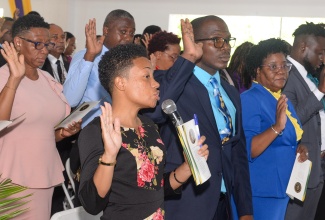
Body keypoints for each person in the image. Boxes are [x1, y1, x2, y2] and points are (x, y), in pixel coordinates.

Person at [78, 21, 209, 219]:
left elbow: (154, 189)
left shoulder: (149, 126)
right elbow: (92, 203)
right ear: (121, 83)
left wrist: (188, 167)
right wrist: (109, 156)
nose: (156, 84)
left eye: (154, 76)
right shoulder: (96, 131)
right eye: (146, 76)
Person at [145, 15, 253, 220]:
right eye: (217, 40)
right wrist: (188, 57)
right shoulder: (173, 83)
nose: (226, 47)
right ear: (194, 43)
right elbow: (158, 110)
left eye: (228, 40)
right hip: (185, 201)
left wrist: (245, 209)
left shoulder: (230, 92)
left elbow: (237, 153)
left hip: (222, 203)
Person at [0, 14, 81, 219]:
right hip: (11, 175)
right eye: (38, 44)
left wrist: (63, 133)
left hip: (44, 172)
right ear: (18, 42)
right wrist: (14, 79)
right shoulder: (3, 77)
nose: (45, 50)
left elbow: (44, 132)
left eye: (47, 44)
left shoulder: (47, 79)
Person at [241, 38, 308, 220]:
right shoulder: (250, 99)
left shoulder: (280, 97)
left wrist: (299, 149)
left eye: (284, 66)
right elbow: (250, 149)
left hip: (282, 186)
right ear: (257, 70)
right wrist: (276, 127)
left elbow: (287, 140)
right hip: (262, 191)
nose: (281, 71)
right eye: (273, 67)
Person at [63, 9, 135, 128]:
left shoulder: (128, 62)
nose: (128, 38)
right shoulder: (85, 56)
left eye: (131, 33)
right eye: (123, 32)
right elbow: (69, 99)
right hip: (90, 132)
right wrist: (90, 56)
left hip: (120, 129)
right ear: (106, 31)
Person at [282, 22, 325, 220]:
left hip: (315, 167)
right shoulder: (286, 75)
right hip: (298, 169)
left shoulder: (307, 76)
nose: (323, 59)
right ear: (303, 48)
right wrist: (320, 91)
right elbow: (291, 120)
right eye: (320, 52)